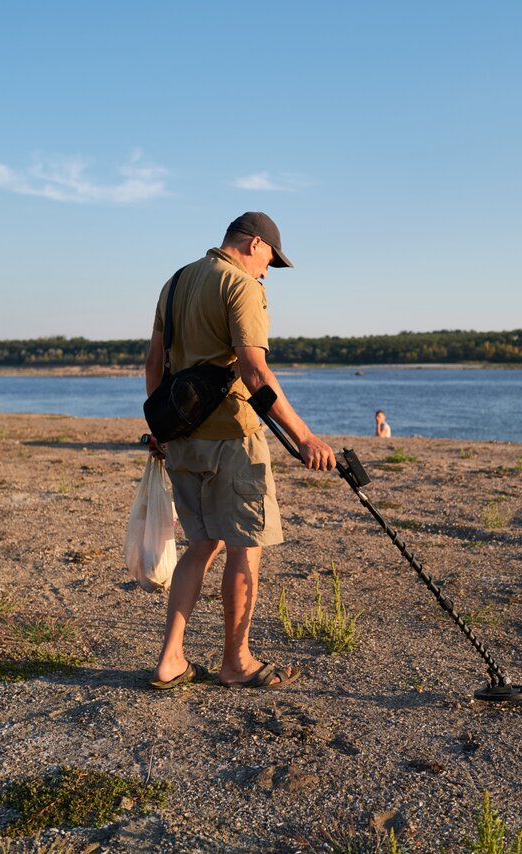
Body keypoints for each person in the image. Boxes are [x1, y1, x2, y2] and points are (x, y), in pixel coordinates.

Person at [145, 212, 335, 690]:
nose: (268, 271)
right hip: (232, 438)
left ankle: (171, 660)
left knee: (201, 546)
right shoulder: (241, 286)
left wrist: (161, 428)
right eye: (270, 258)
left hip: (183, 438)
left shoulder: (176, 282)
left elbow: (154, 362)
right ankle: (237, 661)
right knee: (245, 548)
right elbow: (255, 372)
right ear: (253, 244)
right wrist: (304, 436)